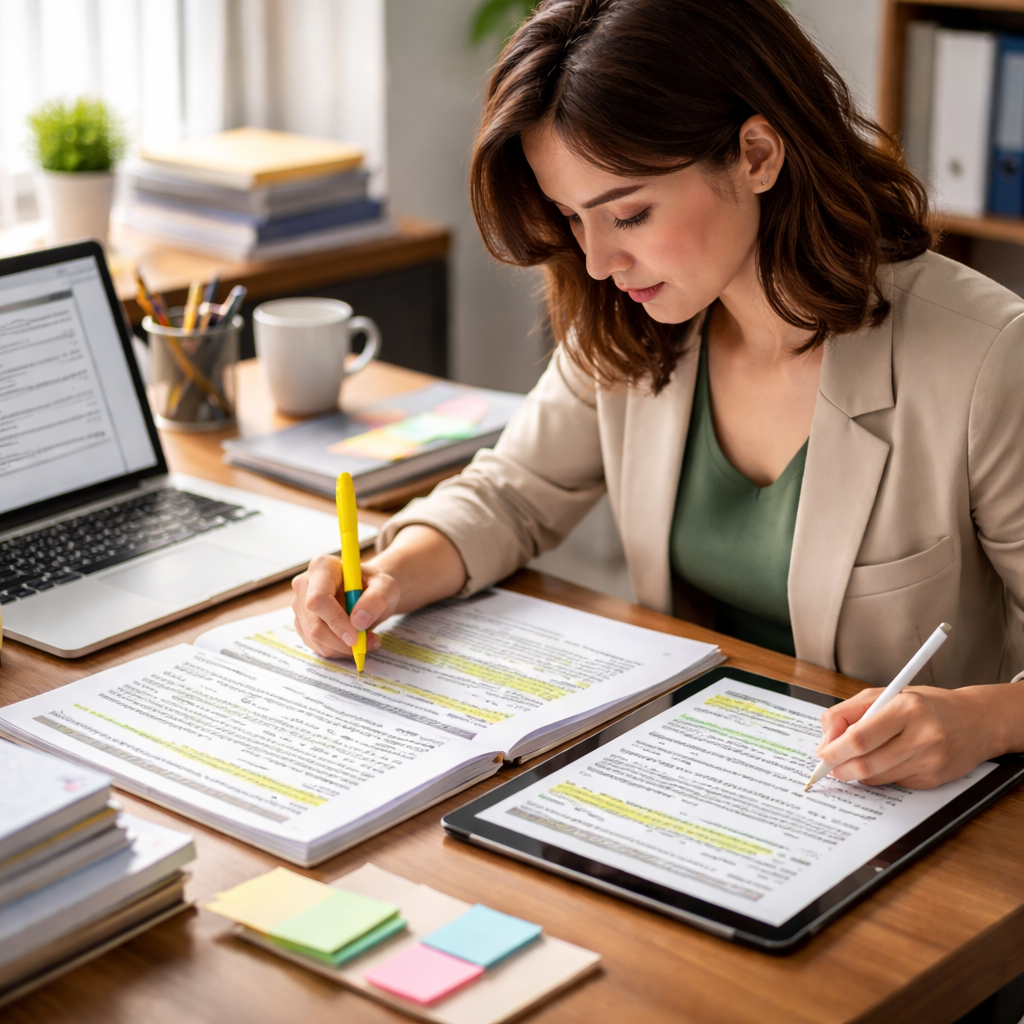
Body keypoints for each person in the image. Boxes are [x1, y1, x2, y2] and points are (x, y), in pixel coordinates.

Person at [293, 0, 1024, 796]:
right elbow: (512, 494)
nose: (600, 260)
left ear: (755, 154)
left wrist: (983, 720)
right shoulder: (637, 319)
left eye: (630, 213)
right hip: (694, 773)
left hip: (903, 812)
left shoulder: (987, 359)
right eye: (574, 218)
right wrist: (392, 573)